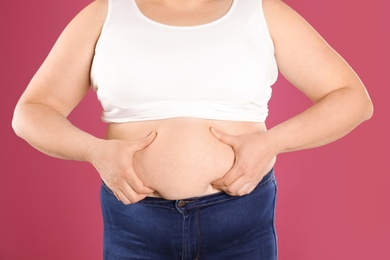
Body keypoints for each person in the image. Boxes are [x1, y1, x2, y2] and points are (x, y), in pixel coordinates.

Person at [12, 0, 373, 259]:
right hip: (136, 224)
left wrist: (271, 143)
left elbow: (352, 98)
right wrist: (94, 151)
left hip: (240, 221)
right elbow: (30, 113)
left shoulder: (261, 11)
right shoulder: (104, 14)